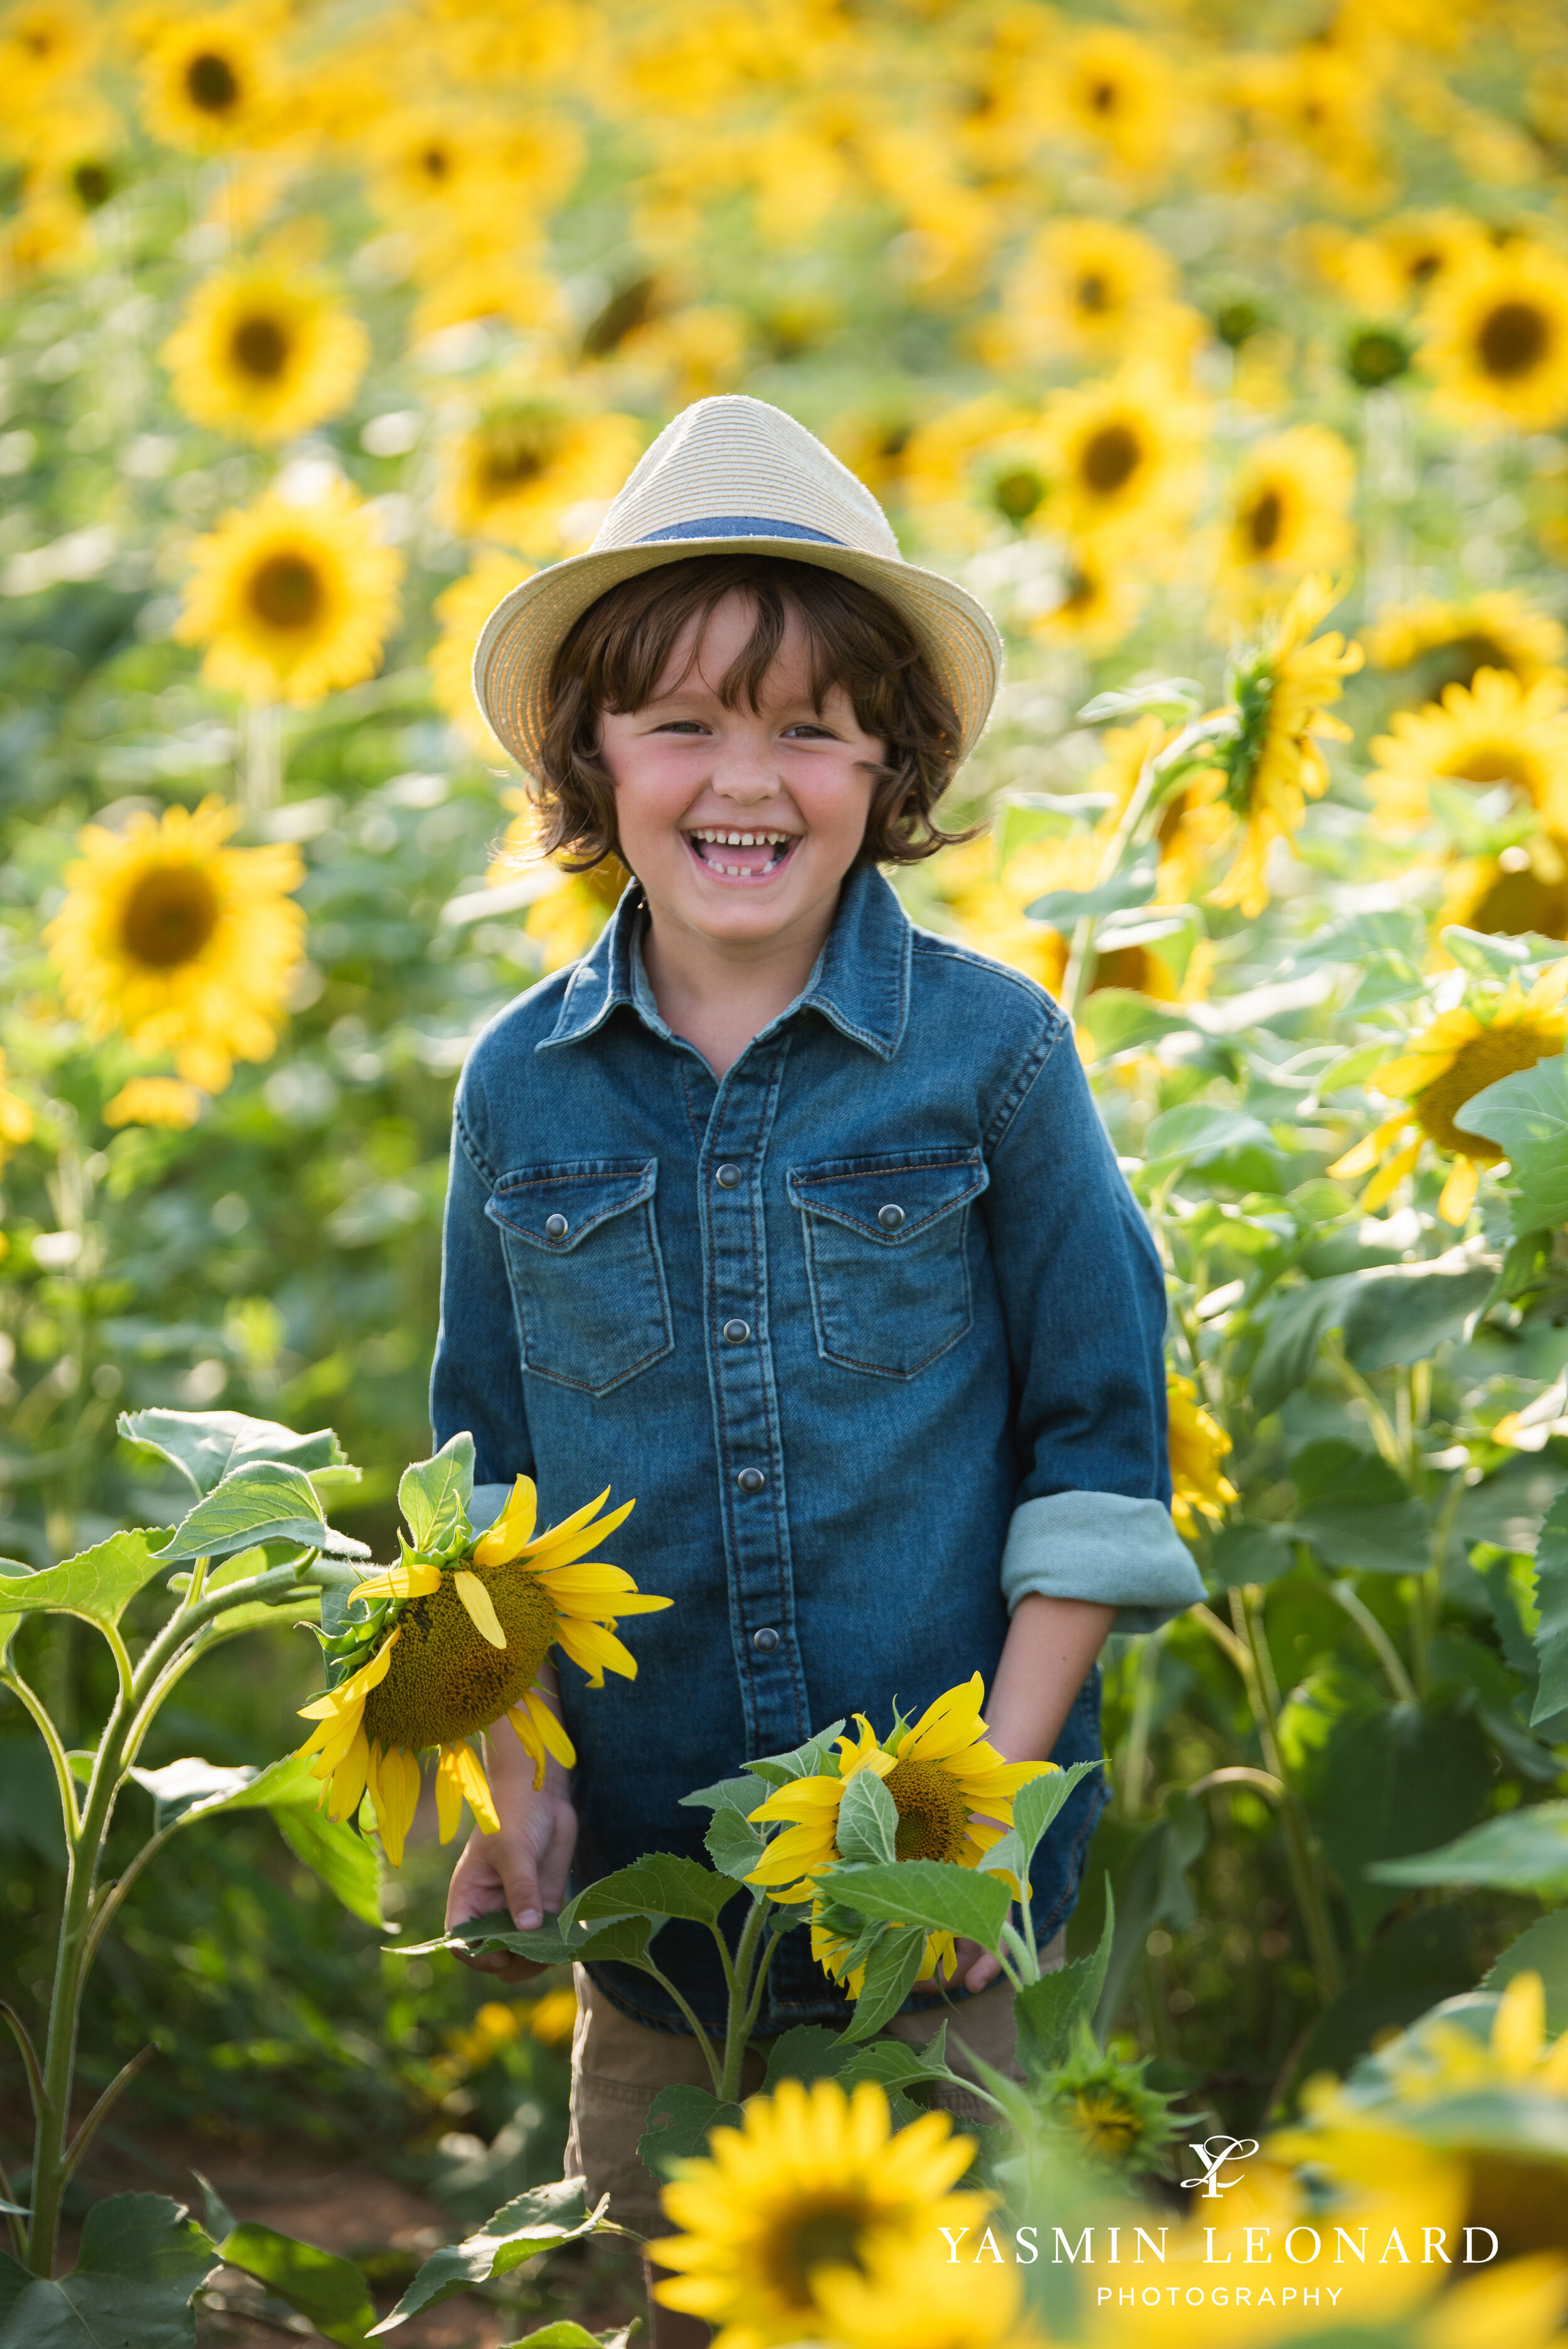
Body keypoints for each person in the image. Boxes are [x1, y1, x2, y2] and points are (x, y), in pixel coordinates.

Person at [431, 395, 1203, 2341]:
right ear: (588, 755)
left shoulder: (996, 1061)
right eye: (681, 720)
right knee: (685, 2286)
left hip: (943, 1891)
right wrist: (509, 1766)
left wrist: (977, 1833)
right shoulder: (521, 1086)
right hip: (661, 1902)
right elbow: (484, 1475)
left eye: (806, 726)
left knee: (953, 2296)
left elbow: (1098, 1453)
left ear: (892, 759)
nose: (741, 778)